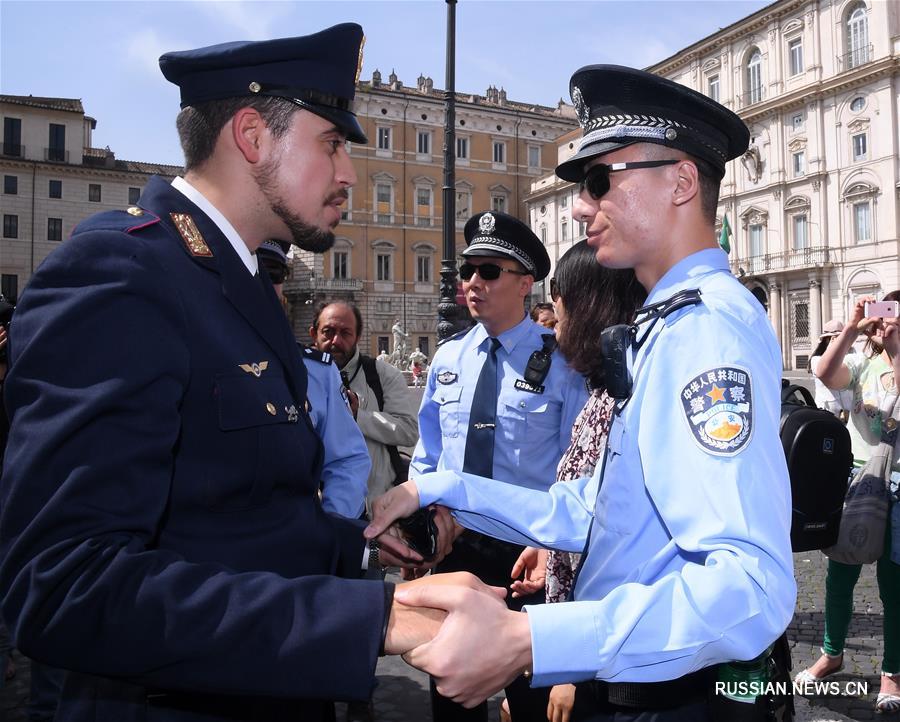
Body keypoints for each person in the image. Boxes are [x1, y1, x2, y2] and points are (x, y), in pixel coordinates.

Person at [0, 26, 461, 722]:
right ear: (251, 136)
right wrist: (373, 622)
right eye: (331, 144)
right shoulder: (121, 275)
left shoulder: (234, 284)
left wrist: (362, 554)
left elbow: (235, 516)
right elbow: (64, 585)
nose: (348, 174)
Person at [368, 64, 796, 721]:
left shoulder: (704, 329)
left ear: (682, 182)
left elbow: (750, 586)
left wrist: (532, 638)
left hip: (667, 700)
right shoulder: (667, 323)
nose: (579, 207)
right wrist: (437, 488)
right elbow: (586, 512)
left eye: (600, 181)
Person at [410, 210, 589, 722]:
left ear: (525, 284)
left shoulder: (562, 364)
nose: (473, 282)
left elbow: (579, 469)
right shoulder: (448, 358)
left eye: (489, 271)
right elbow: (428, 453)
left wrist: (553, 552)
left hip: (527, 558)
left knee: (532, 703)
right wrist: (420, 528)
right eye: (468, 271)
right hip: (457, 547)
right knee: (452, 696)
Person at [509, 241, 645, 722]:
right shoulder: (606, 392)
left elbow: (615, 553)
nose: (555, 324)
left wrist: (571, 669)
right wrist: (550, 547)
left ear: (588, 309)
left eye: (560, 308)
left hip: (604, 665)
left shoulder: (620, 403)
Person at [800, 293, 900, 713]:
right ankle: (832, 653)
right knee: (839, 577)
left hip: (898, 487)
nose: (886, 321)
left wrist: (896, 350)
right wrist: (852, 328)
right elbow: (824, 372)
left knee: (893, 587)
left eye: (894, 315)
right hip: (859, 481)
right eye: (884, 313)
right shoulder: (861, 364)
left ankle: (892, 672)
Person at [256, 239, 370, 518]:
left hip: (294, 533)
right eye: (248, 269)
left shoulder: (318, 371)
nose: (261, 282)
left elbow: (347, 461)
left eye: (273, 274)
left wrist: (331, 527)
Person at [309, 301, 419, 504]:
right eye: (328, 332)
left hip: (374, 506)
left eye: (345, 333)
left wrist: (359, 416)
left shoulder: (383, 375)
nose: (336, 341)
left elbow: (409, 431)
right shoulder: (295, 376)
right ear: (313, 334)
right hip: (313, 506)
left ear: (358, 337)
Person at [808, 319, 853, 419]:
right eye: (835, 338)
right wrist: (832, 350)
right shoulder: (816, 360)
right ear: (826, 340)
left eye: (841, 338)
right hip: (826, 412)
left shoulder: (849, 356)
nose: (839, 342)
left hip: (848, 412)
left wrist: (845, 348)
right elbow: (828, 373)